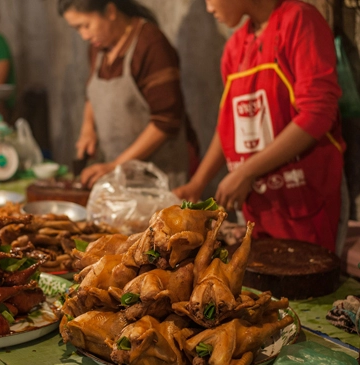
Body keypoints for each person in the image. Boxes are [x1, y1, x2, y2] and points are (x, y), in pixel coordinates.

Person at [173, 0, 346, 252]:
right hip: (260, 207)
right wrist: (197, 183)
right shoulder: (234, 47)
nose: (209, 9)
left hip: (306, 201)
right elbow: (229, 127)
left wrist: (246, 172)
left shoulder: (299, 21)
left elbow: (318, 114)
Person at [58, 0, 196, 189]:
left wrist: (115, 165)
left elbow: (166, 120)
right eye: (77, 29)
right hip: (120, 176)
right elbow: (93, 91)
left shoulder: (151, 44)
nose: (84, 35)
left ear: (111, 11)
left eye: (85, 25)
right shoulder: (99, 46)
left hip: (158, 177)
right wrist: (88, 128)